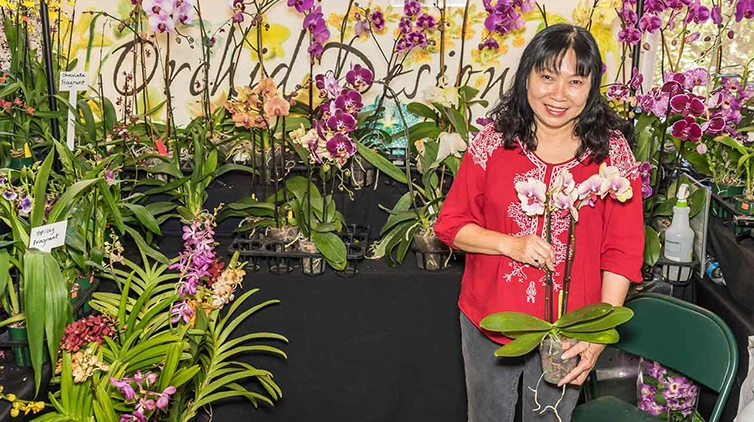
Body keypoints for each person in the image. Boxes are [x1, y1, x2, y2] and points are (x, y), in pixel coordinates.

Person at [434, 23, 644, 422]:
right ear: (527, 74)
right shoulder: (494, 143)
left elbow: (623, 252)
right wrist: (509, 244)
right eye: (547, 77)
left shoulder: (611, 153)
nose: (558, 95)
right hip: (489, 319)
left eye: (575, 82)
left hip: (571, 331)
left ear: (591, 88)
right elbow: (451, 224)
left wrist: (598, 334)